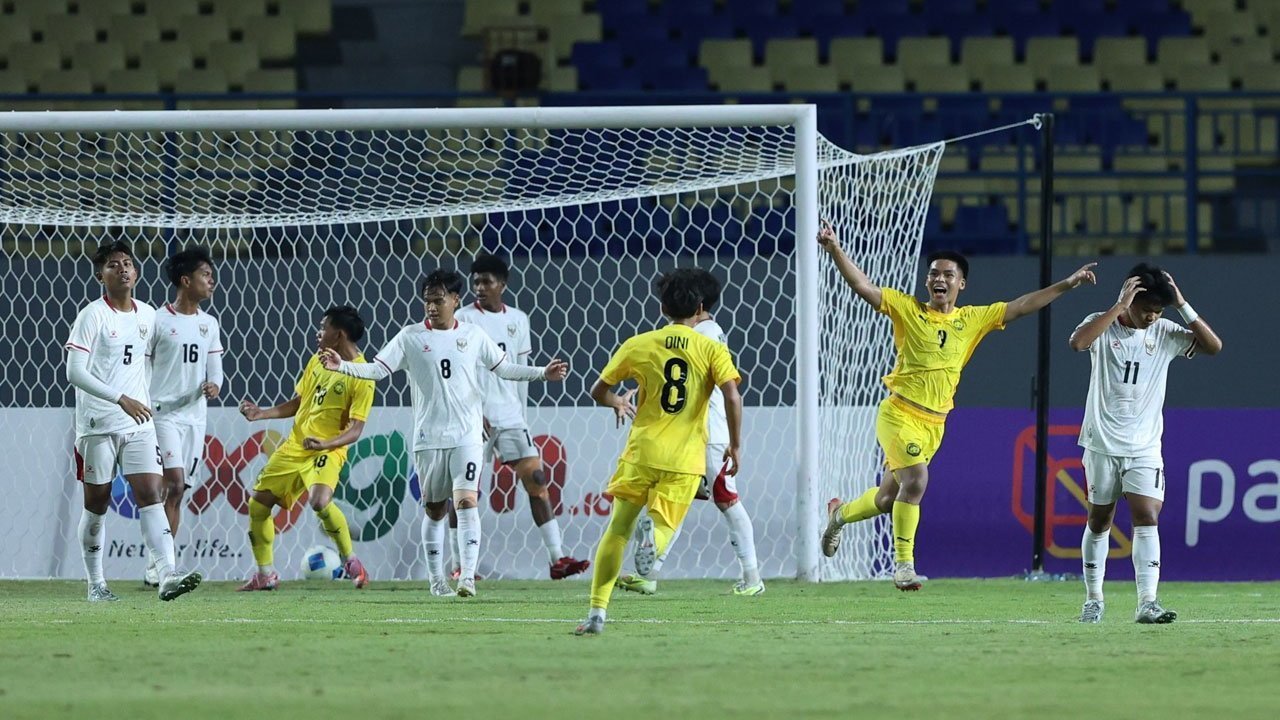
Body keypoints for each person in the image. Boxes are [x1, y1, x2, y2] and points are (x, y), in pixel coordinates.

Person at [817, 220, 1097, 590]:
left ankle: (839, 516)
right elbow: (862, 286)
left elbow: (1022, 306)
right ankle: (903, 566)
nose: (940, 279)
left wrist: (1067, 283)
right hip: (899, 413)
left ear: (960, 284)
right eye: (934, 273)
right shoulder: (907, 309)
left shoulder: (973, 319)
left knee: (888, 498)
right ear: (927, 282)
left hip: (935, 423)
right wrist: (835, 248)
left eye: (948, 274)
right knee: (916, 480)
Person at [319, 269, 568, 598]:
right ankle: (437, 580)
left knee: (466, 502)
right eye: (427, 302)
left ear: (455, 300)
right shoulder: (410, 336)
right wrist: (344, 366)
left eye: (438, 301)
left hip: (466, 436)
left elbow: (504, 367)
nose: (432, 307)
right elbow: (378, 370)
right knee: (435, 510)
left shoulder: (474, 335)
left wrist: (542, 373)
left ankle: (466, 577)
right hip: (428, 439)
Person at [575, 268, 743, 636]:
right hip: (684, 458)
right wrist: (734, 444)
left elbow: (597, 391)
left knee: (617, 531)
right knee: (663, 525)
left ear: (662, 306)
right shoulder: (711, 347)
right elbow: (732, 394)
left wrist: (618, 401)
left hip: (642, 452)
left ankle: (597, 614)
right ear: (700, 308)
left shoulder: (639, 343)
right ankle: (654, 537)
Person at [1070, 264, 1222, 624]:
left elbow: (1214, 347)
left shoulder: (1166, 332)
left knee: (1147, 516)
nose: (1153, 316)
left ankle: (1147, 602)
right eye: (1146, 309)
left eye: (1159, 310)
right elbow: (1078, 343)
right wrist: (1117, 306)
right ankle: (1094, 599)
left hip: (1144, 447)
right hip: (1101, 443)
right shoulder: (1103, 325)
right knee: (1099, 520)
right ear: (1131, 301)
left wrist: (1182, 305)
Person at [65, 239, 202, 602]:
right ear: (101, 275)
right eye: (113, 264)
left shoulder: (148, 316)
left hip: (139, 422)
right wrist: (120, 398)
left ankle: (167, 575)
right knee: (97, 502)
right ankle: (96, 583)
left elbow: (163, 357)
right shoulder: (92, 315)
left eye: (127, 262)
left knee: (152, 494)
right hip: (98, 424)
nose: (122, 268)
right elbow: (74, 371)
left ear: (136, 272)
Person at [616, 268, 763, 596]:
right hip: (690, 434)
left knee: (726, 500)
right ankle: (649, 572)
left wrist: (735, 444)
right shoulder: (699, 331)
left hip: (710, 434)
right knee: (676, 501)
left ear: (695, 304)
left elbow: (729, 386)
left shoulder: (705, 334)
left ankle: (752, 577)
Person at [456, 252, 590, 580]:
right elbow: (458, 372)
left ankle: (557, 559)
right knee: (463, 491)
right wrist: (471, 412)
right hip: (475, 417)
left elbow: (519, 370)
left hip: (511, 416)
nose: (480, 287)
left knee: (537, 480)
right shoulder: (463, 318)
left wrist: (522, 415)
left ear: (502, 284)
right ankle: (461, 567)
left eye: (486, 282)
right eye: (476, 282)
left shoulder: (519, 318)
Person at [237, 306, 375, 591]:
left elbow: (356, 429)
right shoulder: (317, 361)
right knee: (258, 504)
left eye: (323, 327)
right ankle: (265, 574)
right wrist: (261, 414)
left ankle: (351, 561)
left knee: (319, 501)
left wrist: (326, 444)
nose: (317, 332)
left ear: (339, 335)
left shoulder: (361, 374)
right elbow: (297, 403)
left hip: (327, 450)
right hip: (295, 447)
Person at [143, 246, 224, 587]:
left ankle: (158, 565)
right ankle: (164, 568)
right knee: (173, 482)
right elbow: (142, 367)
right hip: (163, 415)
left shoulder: (209, 324)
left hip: (195, 418)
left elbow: (216, 372)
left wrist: (214, 386)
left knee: (178, 493)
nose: (212, 281)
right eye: (206, 275)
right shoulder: (156, 320)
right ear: (185, 280)